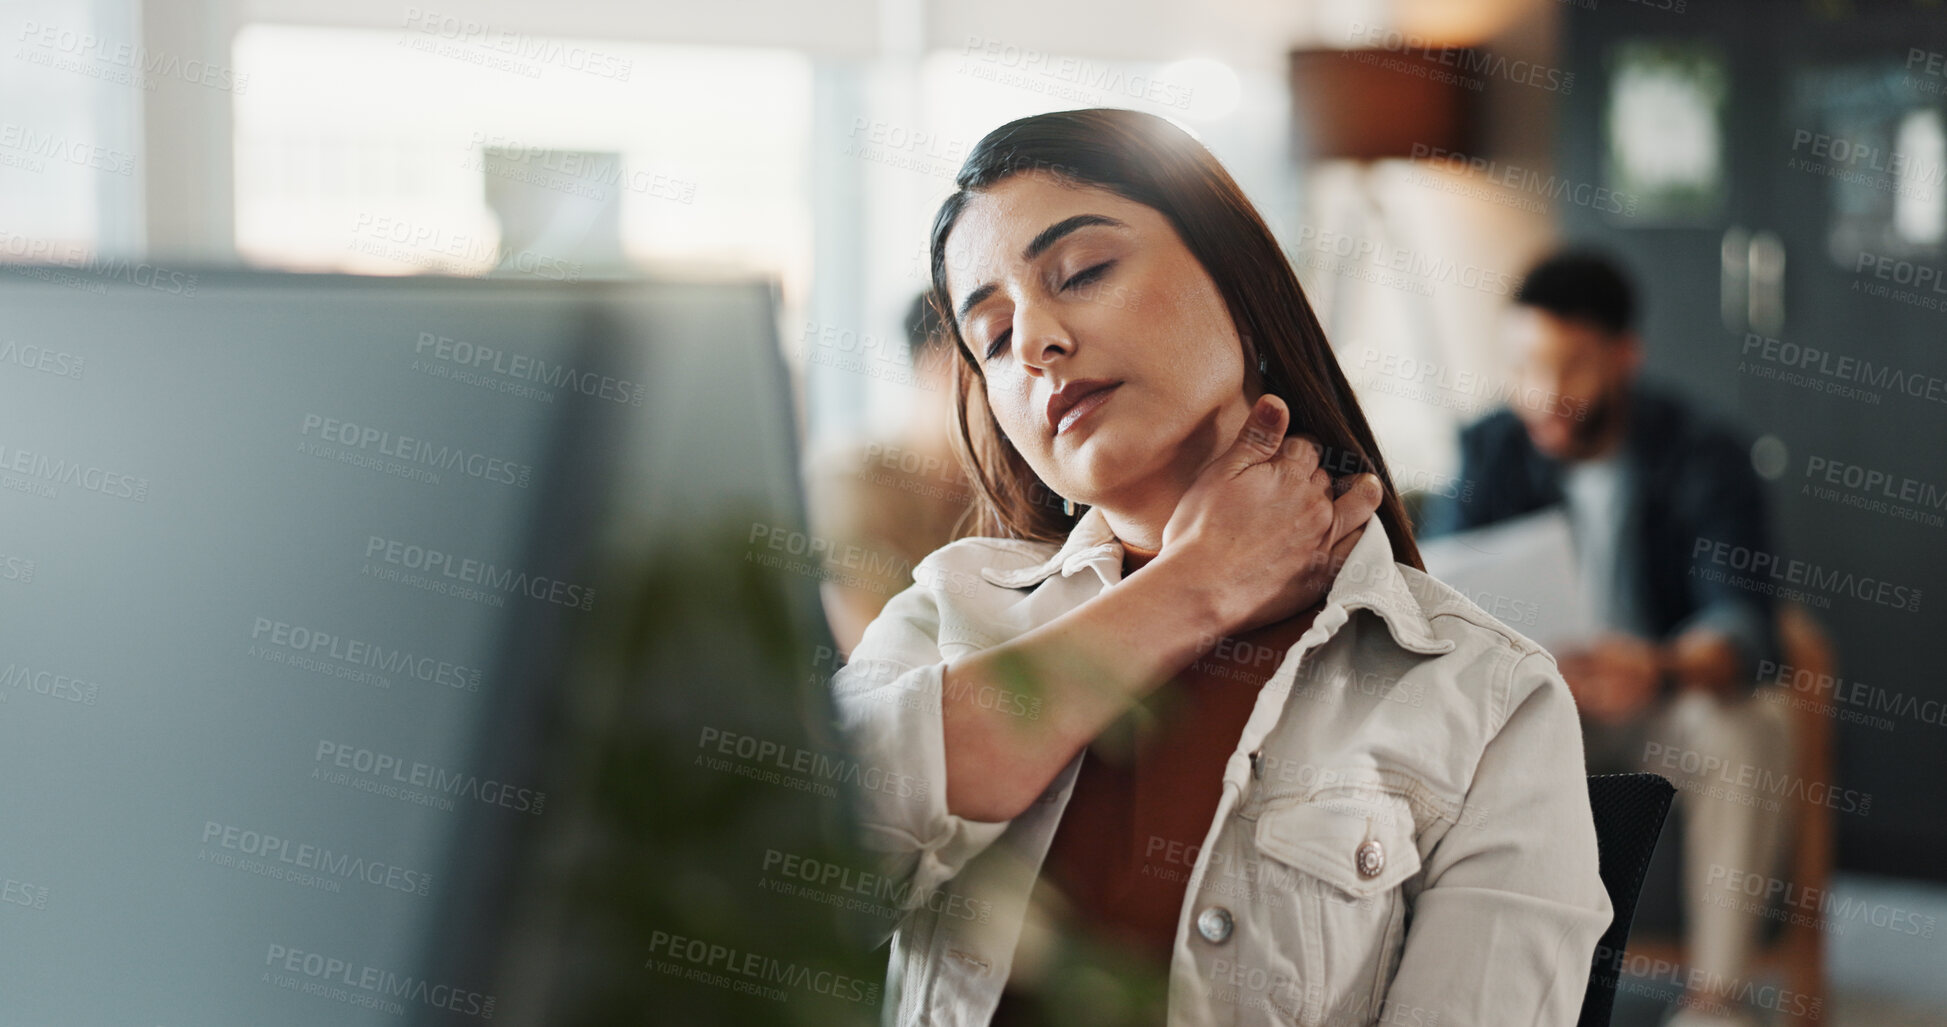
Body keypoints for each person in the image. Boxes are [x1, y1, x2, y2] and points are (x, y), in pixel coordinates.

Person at [827, 108, 1610, 1027]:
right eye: (993, 338)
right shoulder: (944, 611)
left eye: (1080, 272)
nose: (1034, 338)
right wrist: (1189, 589)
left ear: (1238, 286)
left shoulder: (1488, 697)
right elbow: (767, 860)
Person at [1419, 251, 1793, 1027]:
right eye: (1524, 365)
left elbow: (1743, 626)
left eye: (1572, 366)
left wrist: (1656, 668)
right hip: (1532, 706)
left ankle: (1714, 1003)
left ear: (1626, 356)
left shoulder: (1702, 452)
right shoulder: (1488, 450)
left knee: (1755, 723)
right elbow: (1439, 598)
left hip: (1658, 703)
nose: (1543, 393)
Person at [805, 292, 979, 658]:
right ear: (939, 367)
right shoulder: (848, 479)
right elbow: (881, 661)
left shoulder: (1015, 492)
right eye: (994, 353)